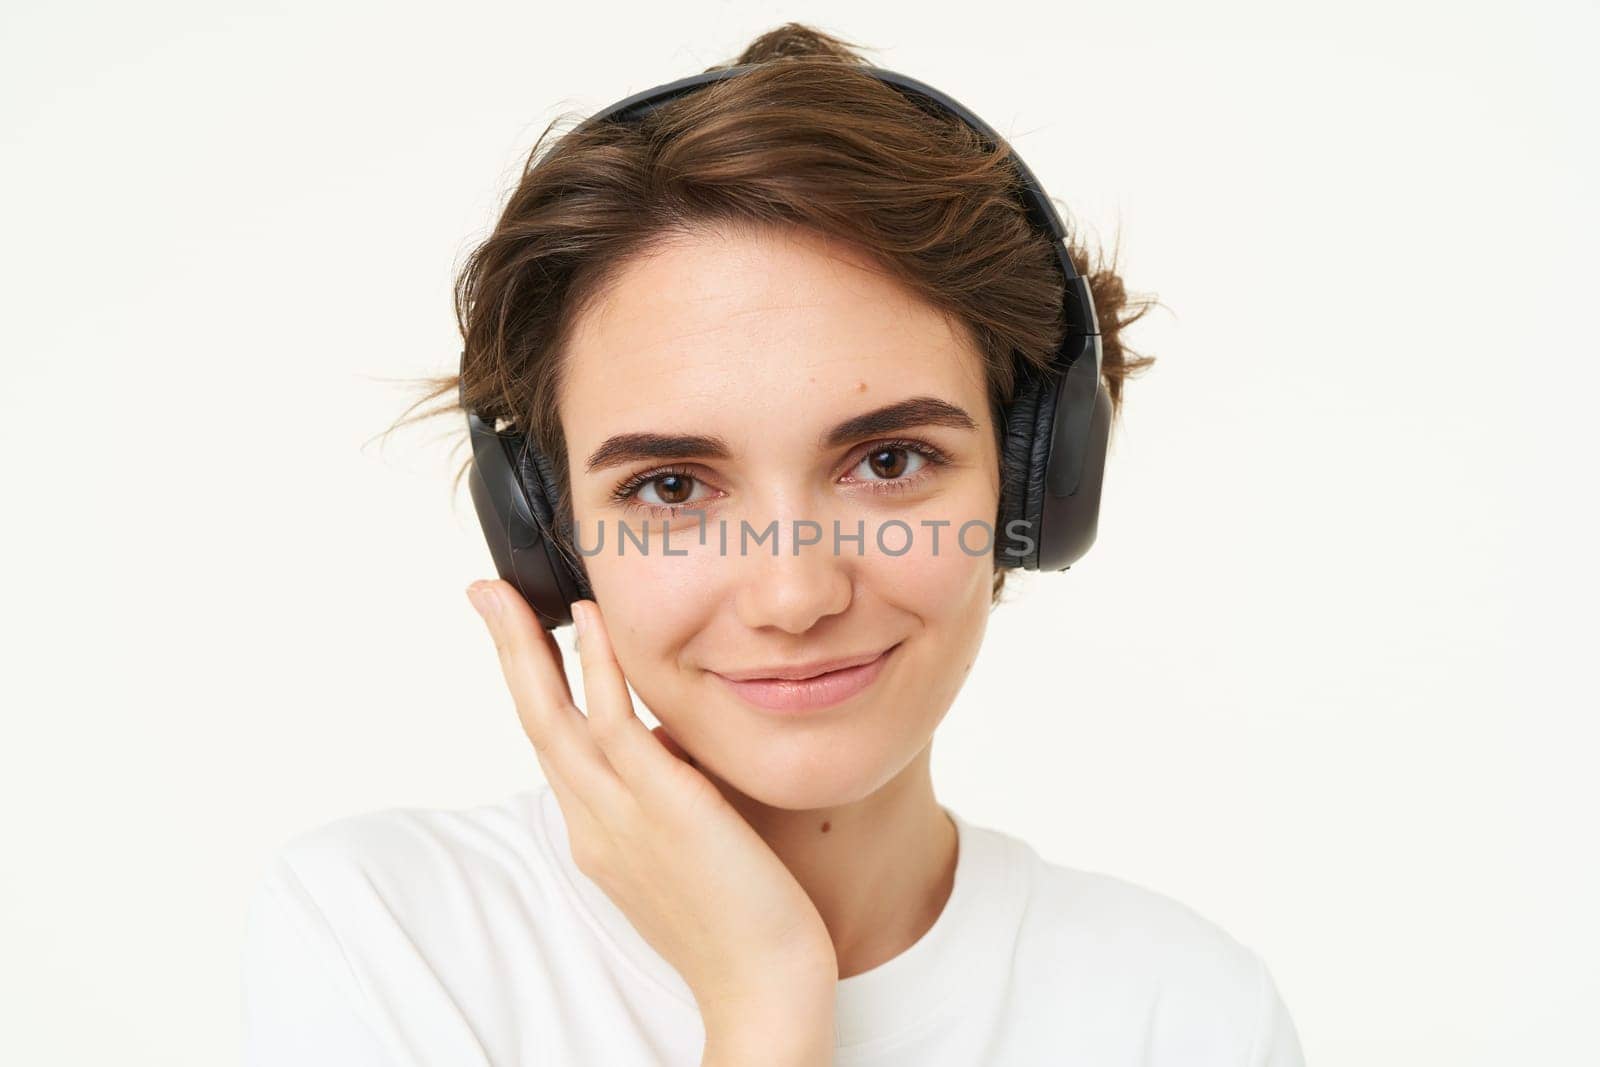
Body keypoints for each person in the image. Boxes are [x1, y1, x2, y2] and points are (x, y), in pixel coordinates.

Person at [241, 22, 1306, 1067]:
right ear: (545, 534)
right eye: (669, 485)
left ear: (1033, 482)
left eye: (888, 461)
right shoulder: (389, 937)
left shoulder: (1186, 1012)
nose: (794, 594)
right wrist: (762, 998)